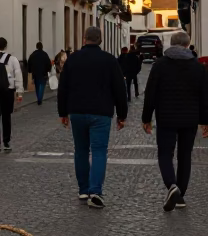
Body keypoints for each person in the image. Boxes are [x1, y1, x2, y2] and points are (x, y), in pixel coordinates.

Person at [57, 24, 128, 208]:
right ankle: (95, 191)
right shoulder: (110, 60)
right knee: (98, 152)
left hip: (77, 112)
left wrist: (62, 112)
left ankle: (83, 189)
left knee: (80, 150)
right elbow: (120, 89)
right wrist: (122, 115)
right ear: (100, 40)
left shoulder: (73, 60)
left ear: (84, 39)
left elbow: (63, 87)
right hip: (101, 113)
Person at [141, 29, 208, 210]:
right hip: (190, 119)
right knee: (185, 156)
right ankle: (180, 195)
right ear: (188, 44)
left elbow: (151, 94)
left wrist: (146, 118)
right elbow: (204, 96)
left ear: (171, 43)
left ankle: (172, 186)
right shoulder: (198, 67)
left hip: (166, 118)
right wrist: (205, 120)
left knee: (165, 153)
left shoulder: (160, 65)